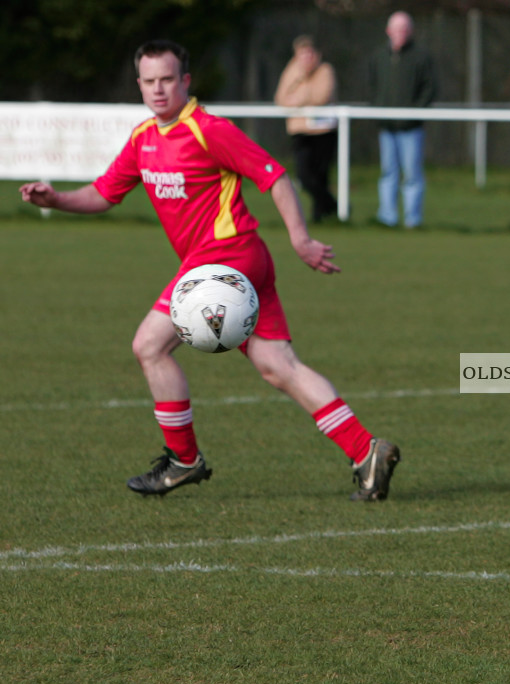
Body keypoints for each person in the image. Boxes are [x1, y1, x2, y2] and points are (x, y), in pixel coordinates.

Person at [19, 40, 400, 502]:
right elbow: (105, 193)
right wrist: (55, 200)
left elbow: (275, 176)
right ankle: (367, 451)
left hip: (227, 257)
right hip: (236, 261)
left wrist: (300, 238)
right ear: (139, 84)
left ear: (185, 81)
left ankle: (183, 460)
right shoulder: (144, 139)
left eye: (167, 79)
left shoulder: (207, 129)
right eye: (149, 81)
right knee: (278, 365)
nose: (158, 89)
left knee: (149, 345)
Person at [369, 11, 437, 229]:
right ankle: (387, 217)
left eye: (405, 29)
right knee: (388, 172)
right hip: (387, 127)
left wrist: (415, 112)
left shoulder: (421, 56)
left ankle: (413, 219)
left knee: (412, 174)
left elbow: (430, 87)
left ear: (411, 31)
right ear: (389, 31)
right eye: (397, 29)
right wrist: (379, 110)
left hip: (411, 128)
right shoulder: (379, 56)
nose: (401, 33)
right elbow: (372, 85)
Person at [274, 35, 339, 223]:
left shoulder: (325, 70)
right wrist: (302, 87)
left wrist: (299, 99)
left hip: (324, 130)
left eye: (310, 53)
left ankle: (320, 216)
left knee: (321, 175)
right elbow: (281, 98)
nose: (307, 58)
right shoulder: (291, 71)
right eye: (302, 54)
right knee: (304, 175)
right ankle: (333, 205)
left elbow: (322, 96)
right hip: (300, 130)